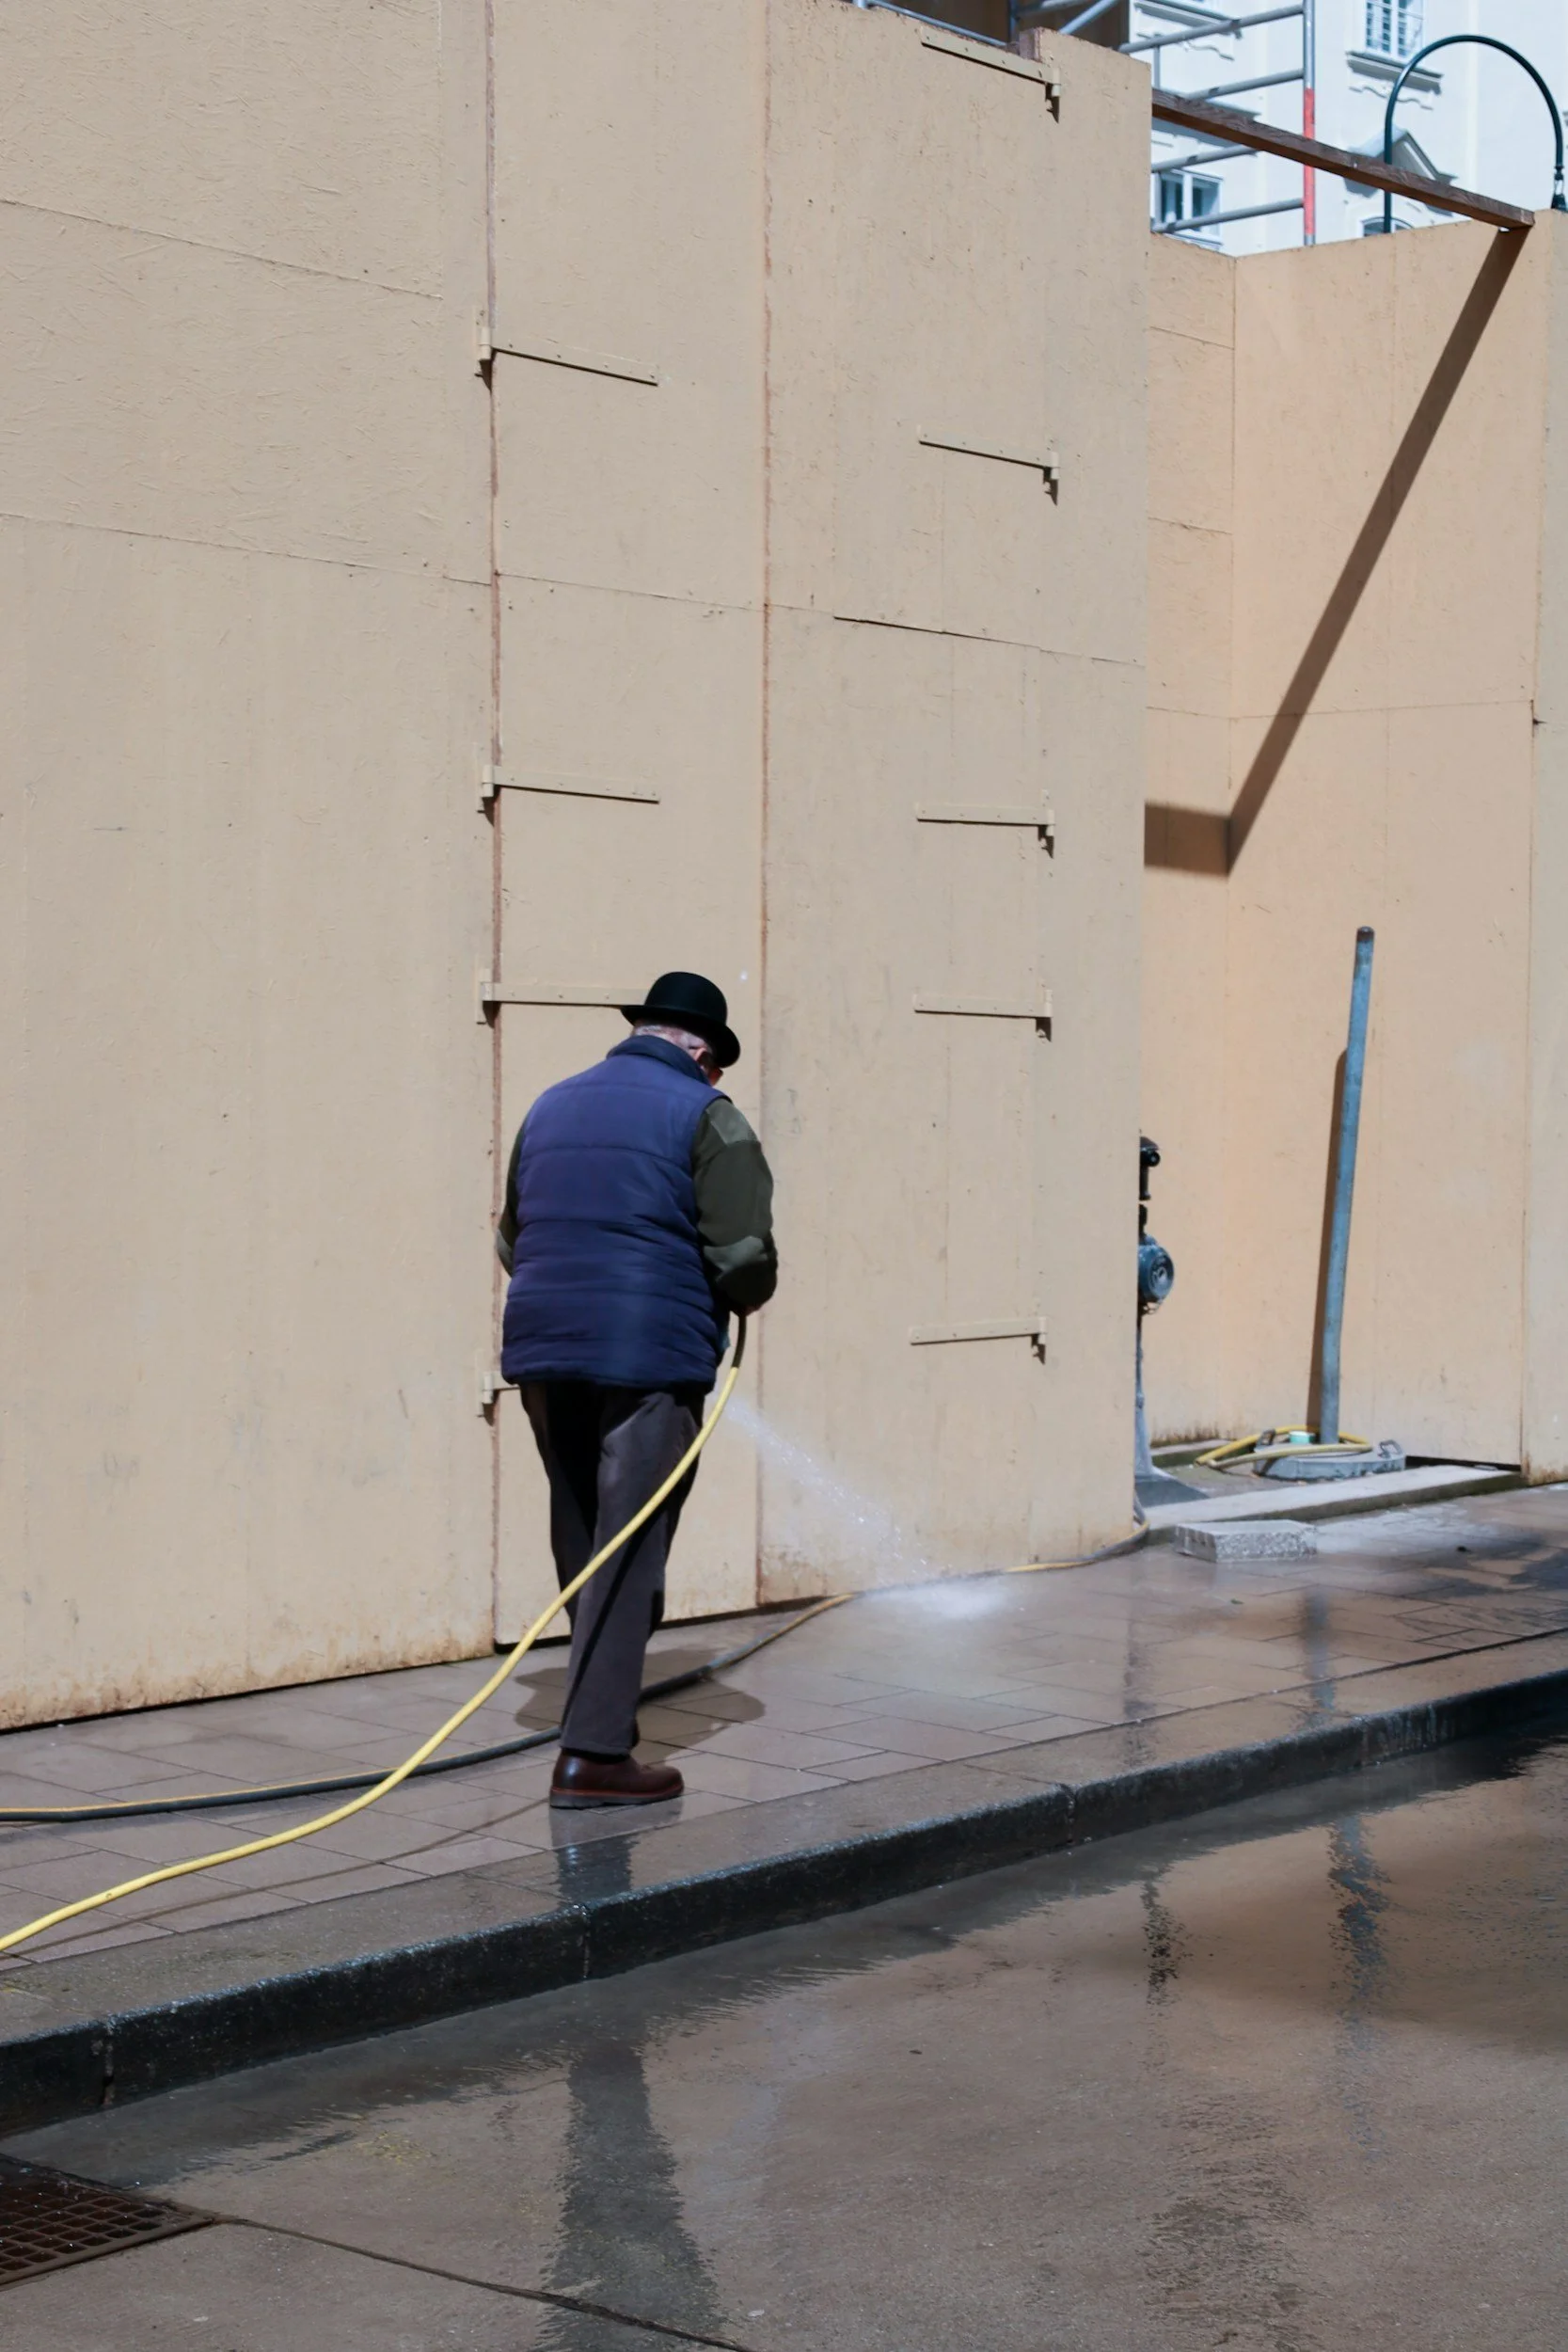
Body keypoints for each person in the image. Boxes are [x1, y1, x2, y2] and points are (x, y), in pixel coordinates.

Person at [496, 972, 778, 1808]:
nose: (714, 1079)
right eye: (715, 1065)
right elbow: (742, 1256)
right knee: (631, 1544)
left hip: (544, 1351)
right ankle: (594, 1755)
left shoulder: (550, 1105)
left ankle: (593, 1718)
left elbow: (514, 1234)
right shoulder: (706, 1116)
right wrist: (745, 1293)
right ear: (700, 1052)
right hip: (648, 1359)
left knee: (582, 1538)